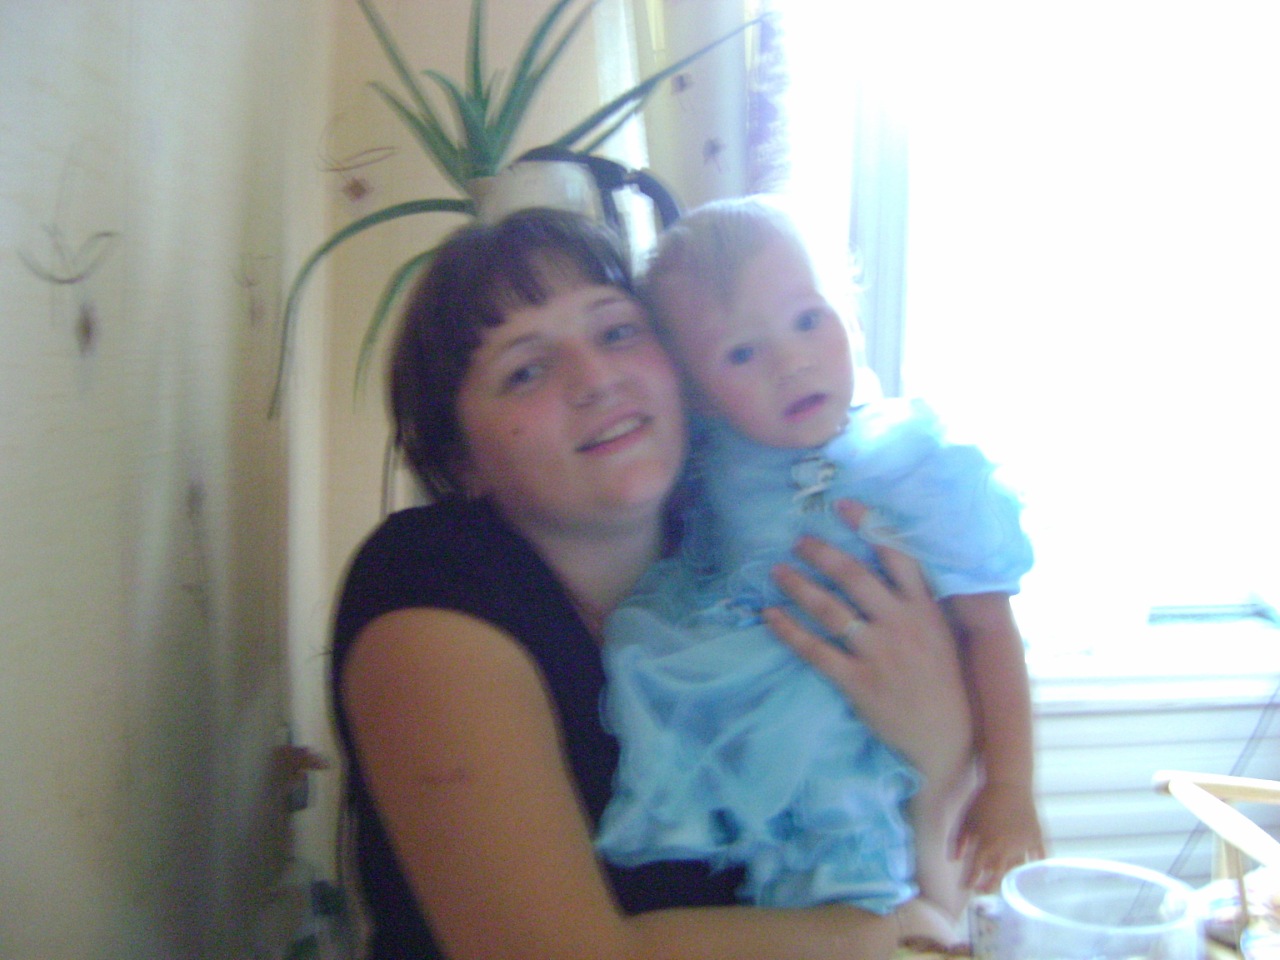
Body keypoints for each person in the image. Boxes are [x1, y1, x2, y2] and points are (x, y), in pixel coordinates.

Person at [330, 206, 976, 960]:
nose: (596, 378)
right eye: (526, 370)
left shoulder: (758, 550)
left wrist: (941, 747)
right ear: (461, 460)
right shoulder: (428, 590)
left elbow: (949, 898)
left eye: (616, 332)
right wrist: (887, 936)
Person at [595, 197, 1044, 926]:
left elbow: (990, 628)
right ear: (698, 392)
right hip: (749, 728)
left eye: (809, 319)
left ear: (848, 314)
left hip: (878, 750)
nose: (792, 361)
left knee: (888, 914)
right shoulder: (707, 465)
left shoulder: (915, 466)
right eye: (742, 353)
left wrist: (1009, 785)